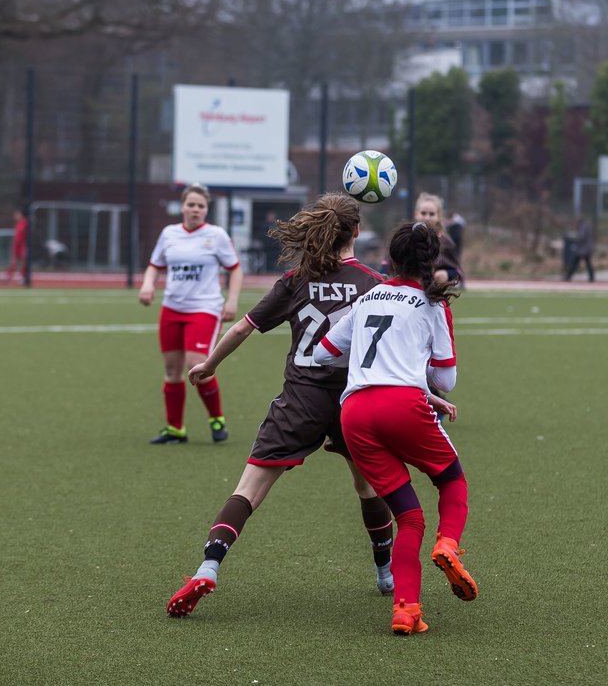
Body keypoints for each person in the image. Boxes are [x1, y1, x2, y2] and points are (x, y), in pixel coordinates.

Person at [166, 192, 394, 617]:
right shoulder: (374, 285)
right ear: (357, 233)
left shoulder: (296, 280)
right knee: (367, 486)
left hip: (300, 400)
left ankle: (208, 566)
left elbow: (242, 329)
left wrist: (208, 364)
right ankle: (386, 574)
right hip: (354, 403)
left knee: (249, 488)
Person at [314, 221, 476, 636]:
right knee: (452, 482)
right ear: (431, 260)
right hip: (402, 406)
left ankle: (406, 611)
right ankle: (448, 545)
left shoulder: (367, 298)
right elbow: (447, 379)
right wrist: (414, 373)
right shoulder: (433, 303)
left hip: (354, 413)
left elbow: (323, 352)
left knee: (408, 516)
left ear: (392, 257)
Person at [139, 183, 244, 445]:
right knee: (172, 369)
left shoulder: (216, 235)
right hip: (172, 308)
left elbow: (235, 269)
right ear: (183, 206)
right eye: (191, 204)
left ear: (206, 209)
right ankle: (175, 429)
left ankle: (216, 418)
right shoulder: (169, 234)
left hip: (204, 308)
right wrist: (148, 284)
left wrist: (231, 301)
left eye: (200, 206)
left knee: (196, 365)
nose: (195, 209)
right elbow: (155, 265)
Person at [413, 193, 463, 288]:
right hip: (407, 292)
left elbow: (457, 271)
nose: (427, 217)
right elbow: (388, 265)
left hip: (432, 292)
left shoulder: (446, 242)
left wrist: (447, 274)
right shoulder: (405, 238)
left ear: (438, 217)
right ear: (416, 214)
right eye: (423, 213)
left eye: (431, 214)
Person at [565, 217, 595, 282]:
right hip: (585, 249)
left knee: (575, 263)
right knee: (587, 263)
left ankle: (568, 276)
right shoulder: (586, 226)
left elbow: (582, 237)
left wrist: (576, 239)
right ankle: (591, 277)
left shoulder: (583, 227)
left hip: (583, 249)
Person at [5, 208, 29, 284]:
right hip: (16, 245)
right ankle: (8, 277)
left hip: (22, 245)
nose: (15, 216)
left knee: (23, 262)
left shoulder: (25, 222)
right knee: (13, 261)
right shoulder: (17, 224)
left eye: (16, 214)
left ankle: (22, 277)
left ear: (20, 214)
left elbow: (24, 234)